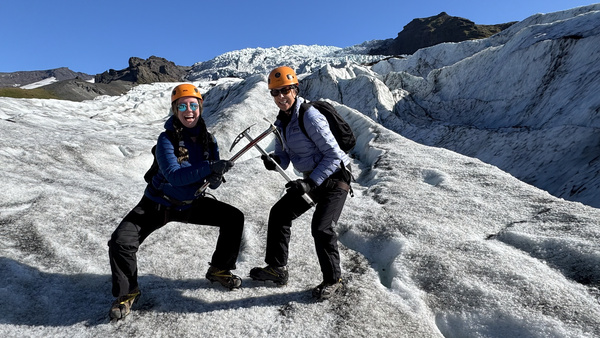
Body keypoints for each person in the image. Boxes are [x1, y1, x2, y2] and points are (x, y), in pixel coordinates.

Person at [107, 83, 244, 320]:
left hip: (191, 203)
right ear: (175, 110)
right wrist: (209, 167)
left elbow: (212, 182)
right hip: (157, 203)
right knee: (121, 241)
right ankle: (127, 293)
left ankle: (219, 269)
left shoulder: (208, 141)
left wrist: (215, 177)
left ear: (200, 107)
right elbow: (174, 175)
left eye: (193, 105)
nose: (188, 110)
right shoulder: (166, 140)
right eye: (182, 105)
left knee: (234, 218)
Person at [249, 66, 352, 300]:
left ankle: (333, 280)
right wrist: (275, 160)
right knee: (279, 213)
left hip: (335, 177)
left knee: (322, 228)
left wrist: (310, 183)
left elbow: (334, 156)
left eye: (285, 90)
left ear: (295, 89)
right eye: (275, 92)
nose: (280, 97)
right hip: (312, 178)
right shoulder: (281, 122)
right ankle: (276, 269)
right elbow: (283, 155)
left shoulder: (310, 116)